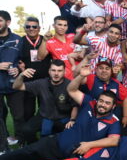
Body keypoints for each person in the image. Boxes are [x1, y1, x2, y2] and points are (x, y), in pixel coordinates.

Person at [0, 67, 120, 160]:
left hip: (71, 154)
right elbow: (71, 90)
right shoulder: (90, 102)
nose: (102, 105)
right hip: (56, 142)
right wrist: (81, 76)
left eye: (107, 103)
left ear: (113, 106)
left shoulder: (113, 121)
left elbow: (113, 140)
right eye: (101, 101)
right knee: (27, 152)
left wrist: (89, 145)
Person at [13, 59, 78, 144]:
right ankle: (35, 146)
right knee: (26, 130)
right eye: (53, 70)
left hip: (62, 118)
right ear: (49, 71)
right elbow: (16, 86)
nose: (56, 73)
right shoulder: (41, 83)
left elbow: (75, 105)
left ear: (64, 72)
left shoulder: (70, 85)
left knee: (68, 138)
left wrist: (72, 120)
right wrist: (21, 75)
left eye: (59, 71)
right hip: (44, 116)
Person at [19, 17, 52, 128]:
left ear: (39, 28)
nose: (31, 29)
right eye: (28, 26)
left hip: (45, 81)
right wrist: (20, 67)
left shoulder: (46, 40)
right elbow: (17, 60)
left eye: (34, 26)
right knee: (28, 111)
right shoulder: (20, 42)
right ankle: (28, 137)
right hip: (28, 83)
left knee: (46, 108)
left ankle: (45, 132)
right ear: (24, 28)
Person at [0, 10, 24, 149]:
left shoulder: (17, 39)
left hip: (14, 84)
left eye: (0, 20)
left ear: (8, 22)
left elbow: (22, 60)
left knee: (19, 115)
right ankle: (3, 146)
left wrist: (18, 68)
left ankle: (21, 142)